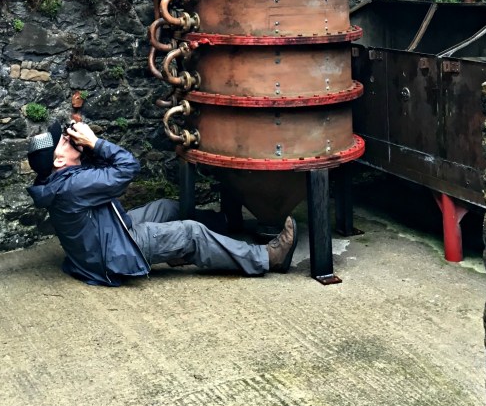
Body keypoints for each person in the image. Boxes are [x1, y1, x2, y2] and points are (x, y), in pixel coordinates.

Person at [26, 120, 298, 286]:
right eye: (64, 141)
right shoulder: (72, 186)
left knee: (167, 207)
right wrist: (95, 142)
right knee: (191, 233)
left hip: (106, 234)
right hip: (114, 253)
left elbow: (98, 171)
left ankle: (229, 224)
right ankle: (267, 258)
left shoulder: (59, 178)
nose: (68, 137)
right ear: (59, 160)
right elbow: (127, 167)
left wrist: (86, 146)